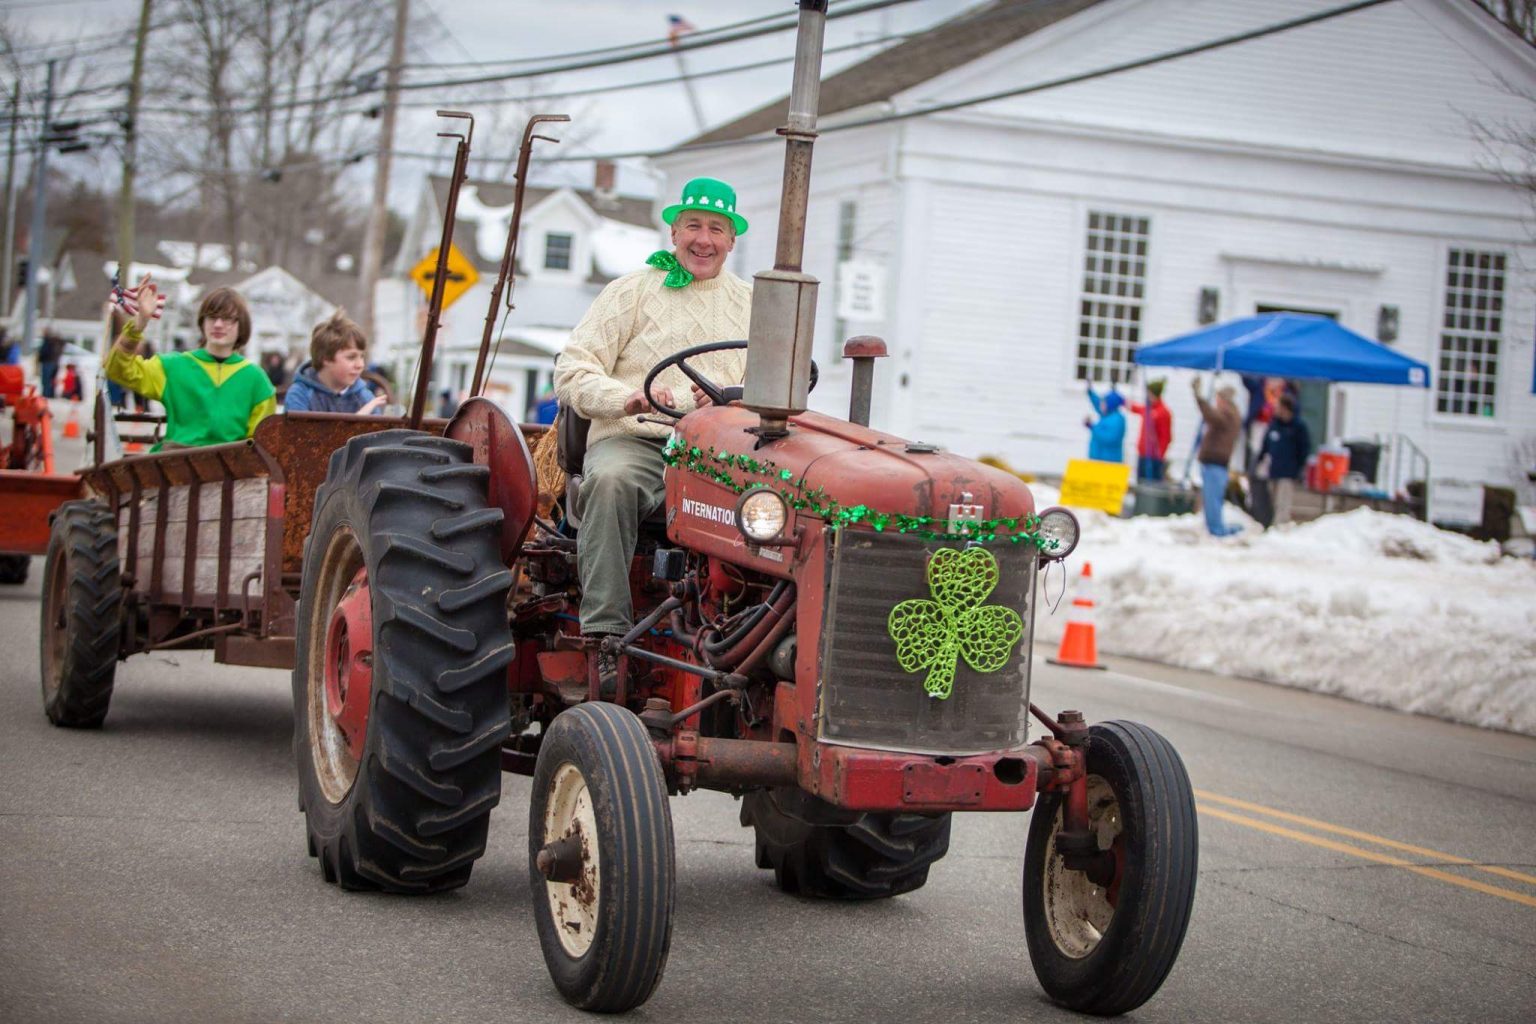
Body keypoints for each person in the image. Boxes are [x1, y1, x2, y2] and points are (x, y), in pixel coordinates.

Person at [554, 175, 753, 674]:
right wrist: (628, 398)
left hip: (717, 453)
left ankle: (745, 636)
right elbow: (572, 371)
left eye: (715, 228)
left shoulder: (754, 307)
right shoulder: (629, 293)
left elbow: (773, 394)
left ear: (732, 240)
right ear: (673, 233)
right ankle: (606, 635)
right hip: (637, 442)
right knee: (613, 481)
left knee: (777, 510)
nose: (703, 239)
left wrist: (732, 401)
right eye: (692, 226)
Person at [105, 275, 276, 449]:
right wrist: (140, 322)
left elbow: (261, 445)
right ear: (202, 322)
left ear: (242, 325)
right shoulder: (172, 367)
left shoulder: (256, 380)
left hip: (232, 470)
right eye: (212, 317)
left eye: (227, 319)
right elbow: (117, 369)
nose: (218, 324)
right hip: (175, 465)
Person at [283, 310, 386, 415]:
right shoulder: (300, 395)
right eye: (351, 357)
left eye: (362, 357)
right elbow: (298, 431)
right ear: (326, 358)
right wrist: (357, 421)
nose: (360, 365)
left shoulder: (365, 398)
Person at [1192, 377, 1243, 537]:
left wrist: (1198, 397)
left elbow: (1210, 415)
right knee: (1212, 498)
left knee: (1212, 499)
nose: (1217, 402)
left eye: (1218, 398)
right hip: (1215, 462)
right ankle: (1215, 528)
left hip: (1216, 462)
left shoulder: (1228, 414)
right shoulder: (1232, 414)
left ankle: (1217, 530)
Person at [1258, 395, 1311, 526]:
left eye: (1279, 407)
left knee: (1283, 500)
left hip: (1288, 470)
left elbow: (1304, 448)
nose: (1276, 410)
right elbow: (1266, 444)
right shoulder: (1274, 424)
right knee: (1272, 499)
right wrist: (1260, 459)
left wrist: (1299, 467)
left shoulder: (1298, 427)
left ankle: (1280, 525)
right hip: (1274, 469)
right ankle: (1271, 523)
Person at [1129, 378, 1173, 481]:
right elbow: (1137, 409)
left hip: (1154, 457)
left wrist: (1159, 455)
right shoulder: (1148, 409)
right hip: (1143, 454)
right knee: (1141, 482)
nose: (1147, 396)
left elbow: (1166, 437)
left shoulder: (1163, 413)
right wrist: (1124, 402)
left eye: (1149, 394)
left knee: (1151, 484)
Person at [1084, 383, 1127, 463]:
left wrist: (1092, 427)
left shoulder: (1117, 420)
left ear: (1110, 404)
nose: (1101, 404)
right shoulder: (1107, 414)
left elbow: (1109, 438)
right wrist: (1090, 392)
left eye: (1104, 403)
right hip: (1098, 458)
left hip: (1109, 461)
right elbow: (1097, 403)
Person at [36, 329, 65, 398]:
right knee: (52, 380)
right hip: (56, 362)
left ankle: (46, 394)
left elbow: (44, 352)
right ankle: (51, 394)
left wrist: (40, 357)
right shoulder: (58, 343)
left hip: (47, 362)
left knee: (46, 380)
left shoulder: (48, 342)